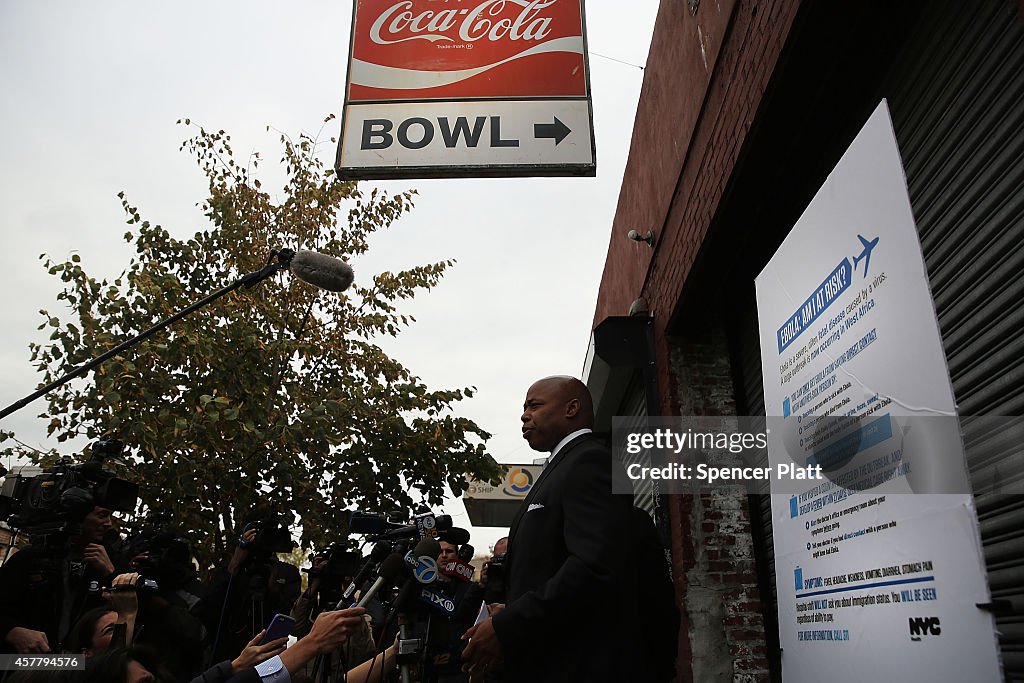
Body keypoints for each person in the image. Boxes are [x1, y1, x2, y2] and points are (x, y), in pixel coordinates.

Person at [461, 376, 651, 682]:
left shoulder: (590, 461)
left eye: (534, 405)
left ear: (571, 408)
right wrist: (508, 610)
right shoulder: (561, 467)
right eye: (524, 408)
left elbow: (594, 566)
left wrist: (510, 624)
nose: (524, 415)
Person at [0, 506, 125, 654]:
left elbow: (133, 611)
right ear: (77, 517)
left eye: (110, 516)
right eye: (102, 515)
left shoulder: (110, 563)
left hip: (77, 668)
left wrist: (112, 574)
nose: (108, 523)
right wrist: (11, 631)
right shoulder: (32, 558)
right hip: (25, 664)